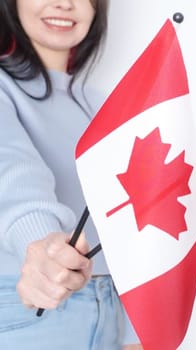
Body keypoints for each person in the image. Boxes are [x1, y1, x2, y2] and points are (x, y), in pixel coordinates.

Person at [0, 0, 141, 348]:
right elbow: (12, 173)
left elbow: (132, 219)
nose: (64, 3)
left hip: (112, 311)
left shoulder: (103, 104)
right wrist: (43, 246)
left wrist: (137, 331)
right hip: (29, 308)